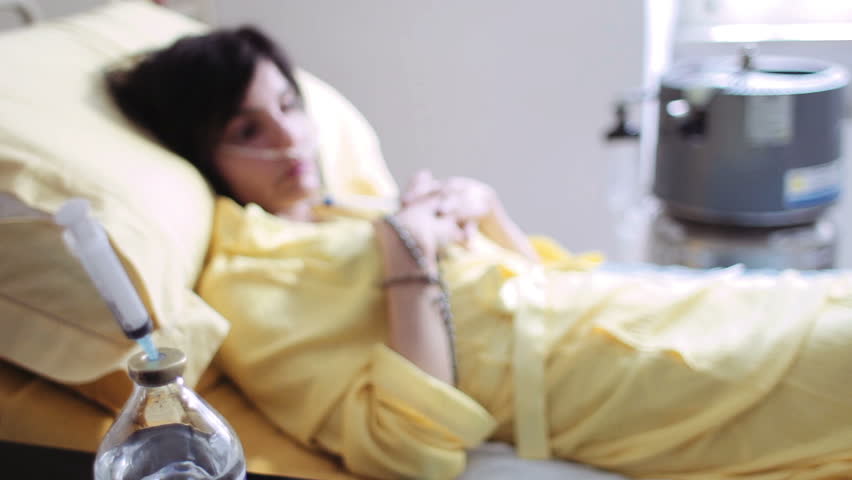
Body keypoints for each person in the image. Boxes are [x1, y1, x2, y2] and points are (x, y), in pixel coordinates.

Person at [106, 26, 852, 480]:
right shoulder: (247, 281)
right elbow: (406, 449)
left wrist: (487, 213)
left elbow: (535, 284)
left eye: (288, 105)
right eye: (247, 131)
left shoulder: (346, 206)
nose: (291, 140)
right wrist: (408, 259)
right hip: (617, 380)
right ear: (202, 153)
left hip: (637, 309)